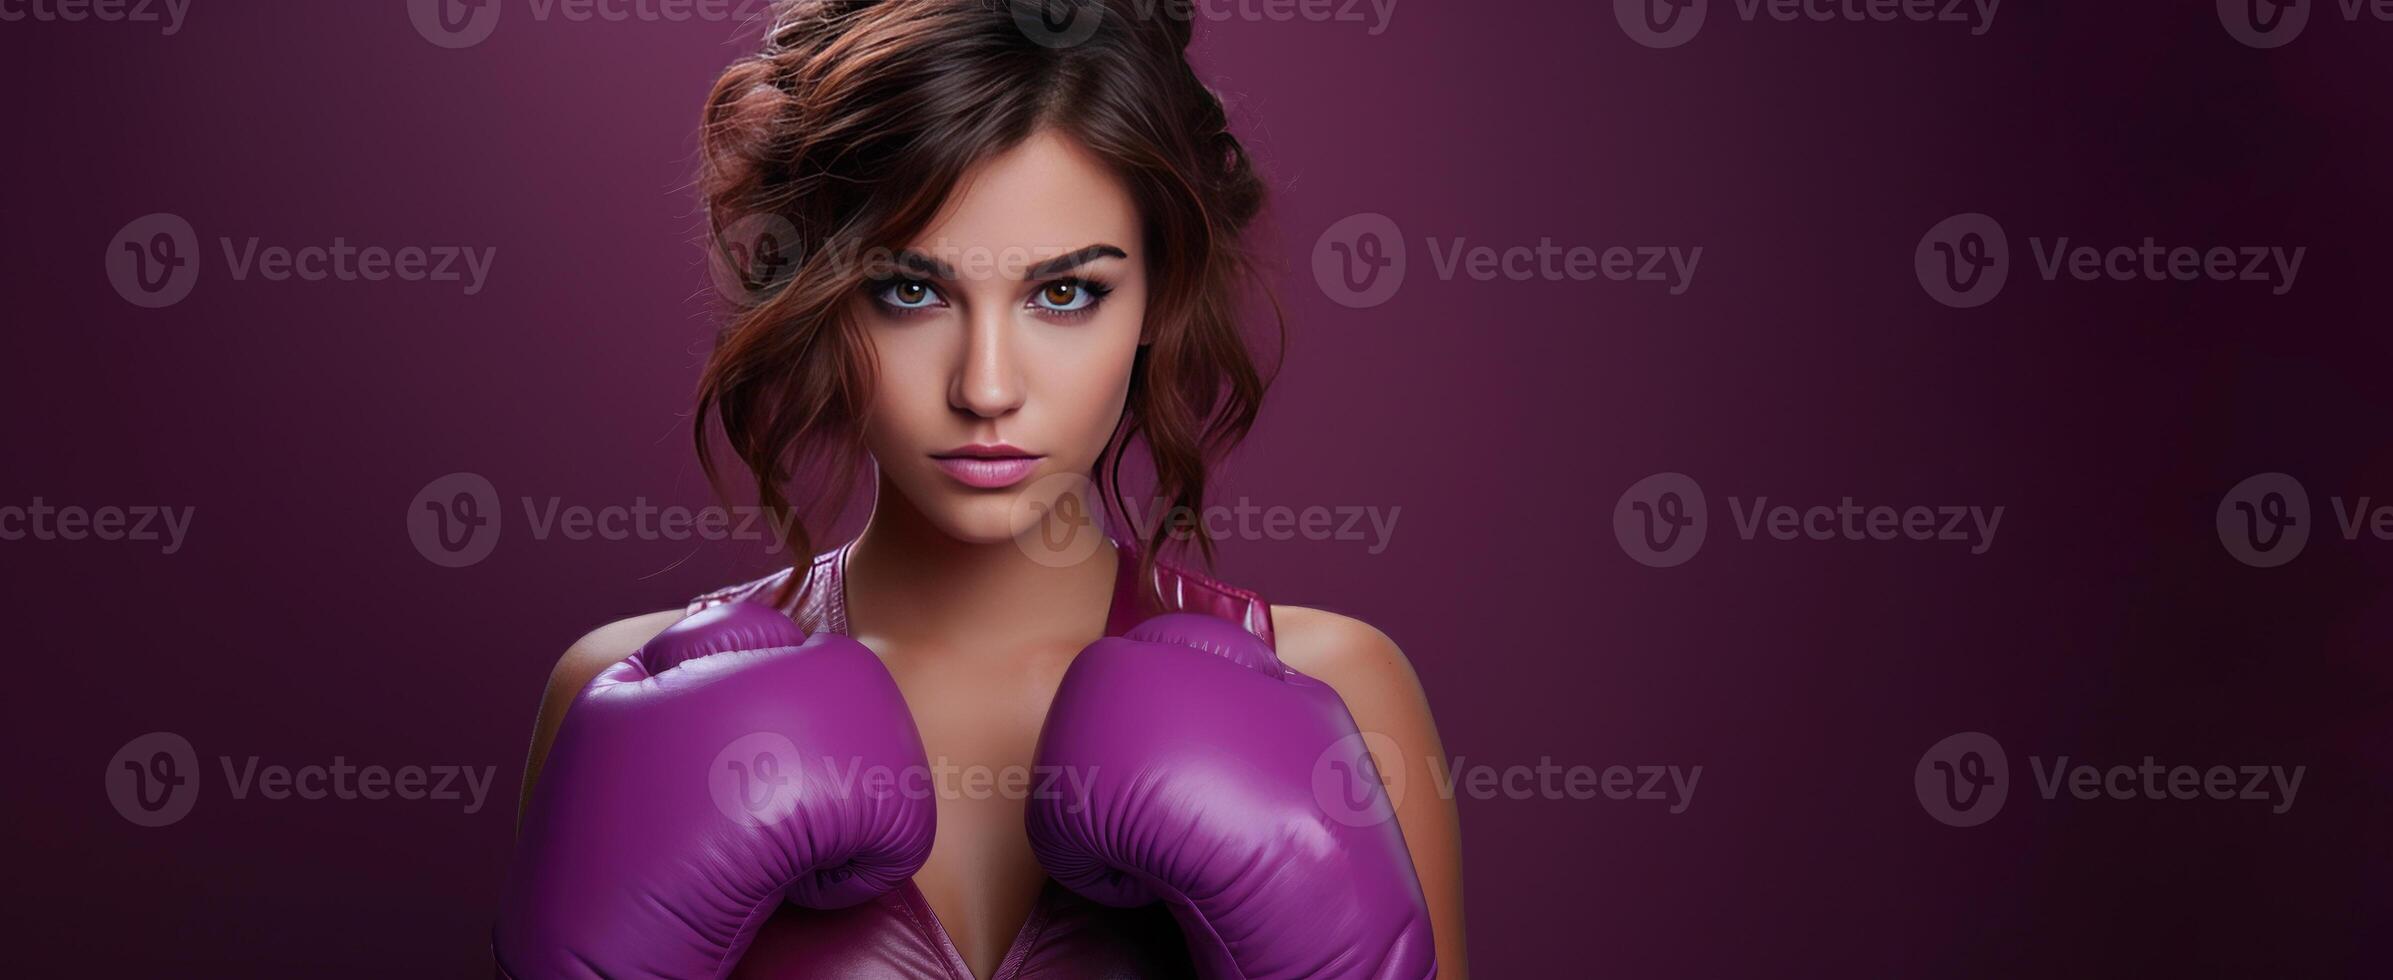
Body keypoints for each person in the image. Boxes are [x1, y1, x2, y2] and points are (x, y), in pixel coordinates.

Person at [495, 2, 1466, 977]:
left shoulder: (1337, 690)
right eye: (910, 290)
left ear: (1156, 299)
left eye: (1064, 292)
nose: (986, 386)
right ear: (815, 294)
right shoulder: (616, 695)